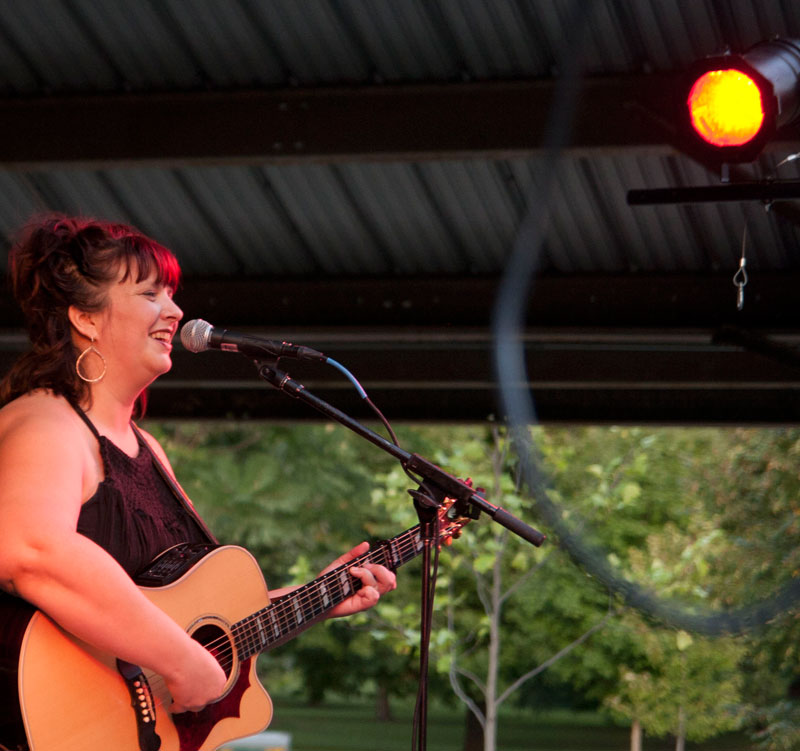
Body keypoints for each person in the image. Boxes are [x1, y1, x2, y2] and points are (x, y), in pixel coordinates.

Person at [0, 214, 396, 750]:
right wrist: (181, 659)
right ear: (85, 318)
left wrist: (313, 597)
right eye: (150, 294)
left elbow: (180, 620)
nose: (176, 311)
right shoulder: (46, 421)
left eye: (172, 294)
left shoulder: (147, 449)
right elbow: (30, 549)